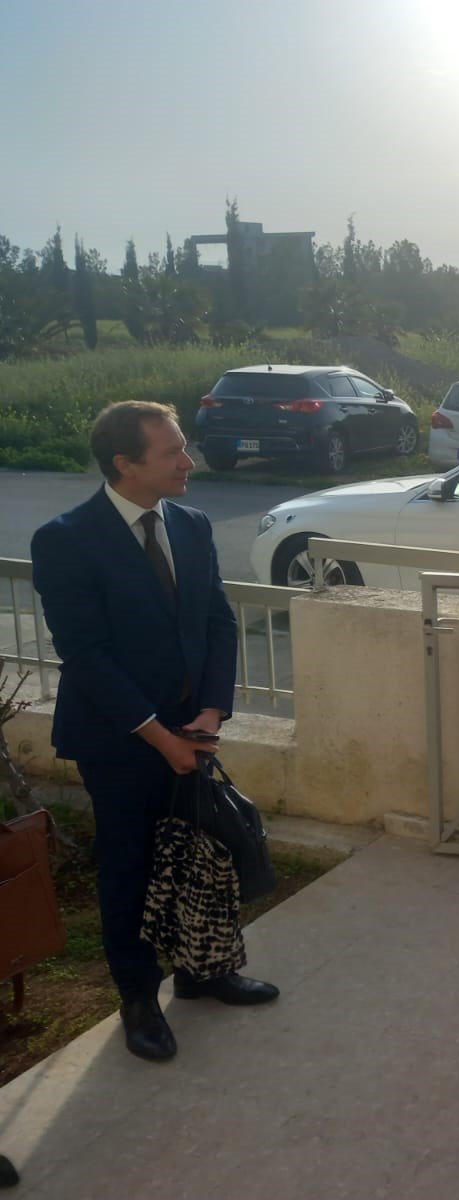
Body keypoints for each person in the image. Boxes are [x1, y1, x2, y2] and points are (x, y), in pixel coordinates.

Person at [30, 401, 279, 1063]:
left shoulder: (191, 525)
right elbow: (86, 655)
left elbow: (218, 622)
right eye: (172, 452)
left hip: (193, 731)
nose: (188, 462)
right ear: (125, 463)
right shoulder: (65, 539)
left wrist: (212, 712)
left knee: (202, 854)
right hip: (118, 741)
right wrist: (160, 738)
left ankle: (203, 970)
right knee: (130, 866)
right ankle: (139, 997)